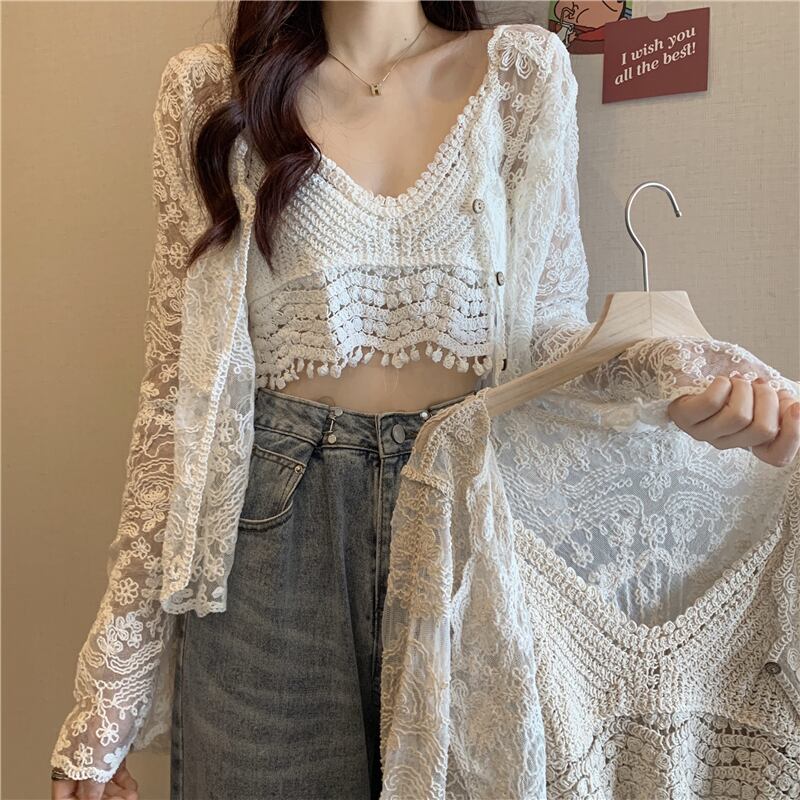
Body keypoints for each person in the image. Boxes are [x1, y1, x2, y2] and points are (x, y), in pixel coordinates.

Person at [50, 2, 800, 799]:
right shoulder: (211, 91)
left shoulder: (522, 74)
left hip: (462, 518)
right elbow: (180, 396)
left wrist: (674, 374)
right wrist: (107, 698)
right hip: (270, 533)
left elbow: (545, 331)